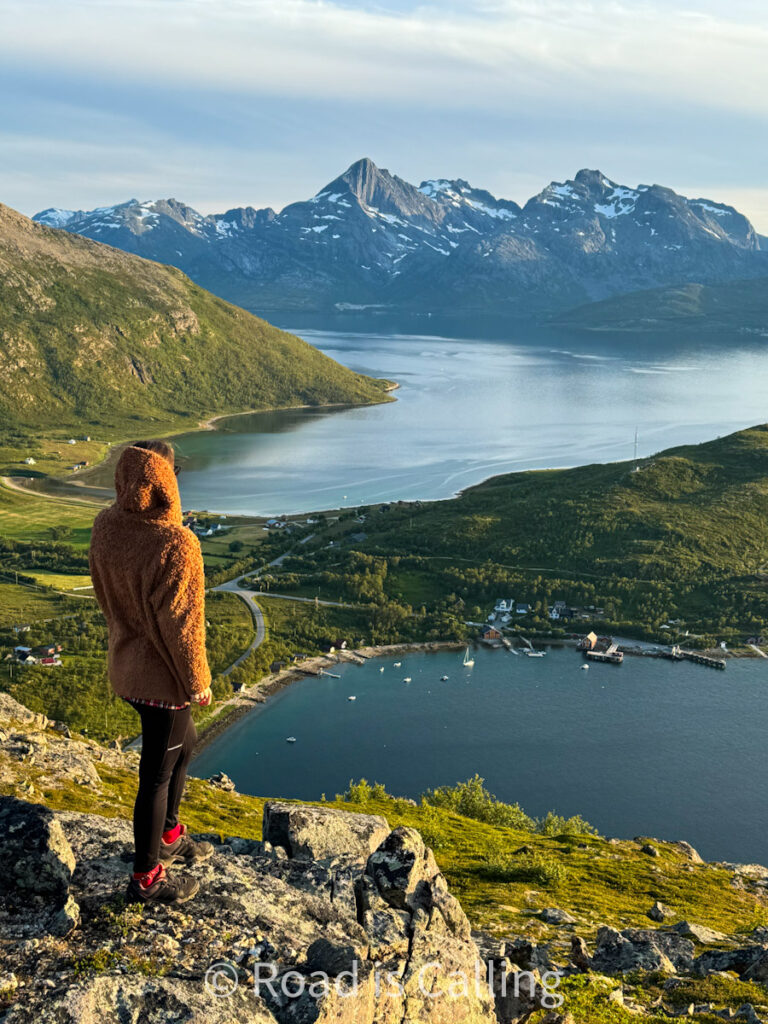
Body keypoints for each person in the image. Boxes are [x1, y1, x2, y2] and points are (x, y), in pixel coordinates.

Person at [89, 439, 214, 905]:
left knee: (187, 744)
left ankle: (168, 834)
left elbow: (106, 593)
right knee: (156, 775)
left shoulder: (107, 525)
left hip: (125, 665)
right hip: (162, 679)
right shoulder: (176, 542)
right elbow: (183, 626)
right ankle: (147, 877)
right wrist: (197, 682)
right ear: (166, 478)